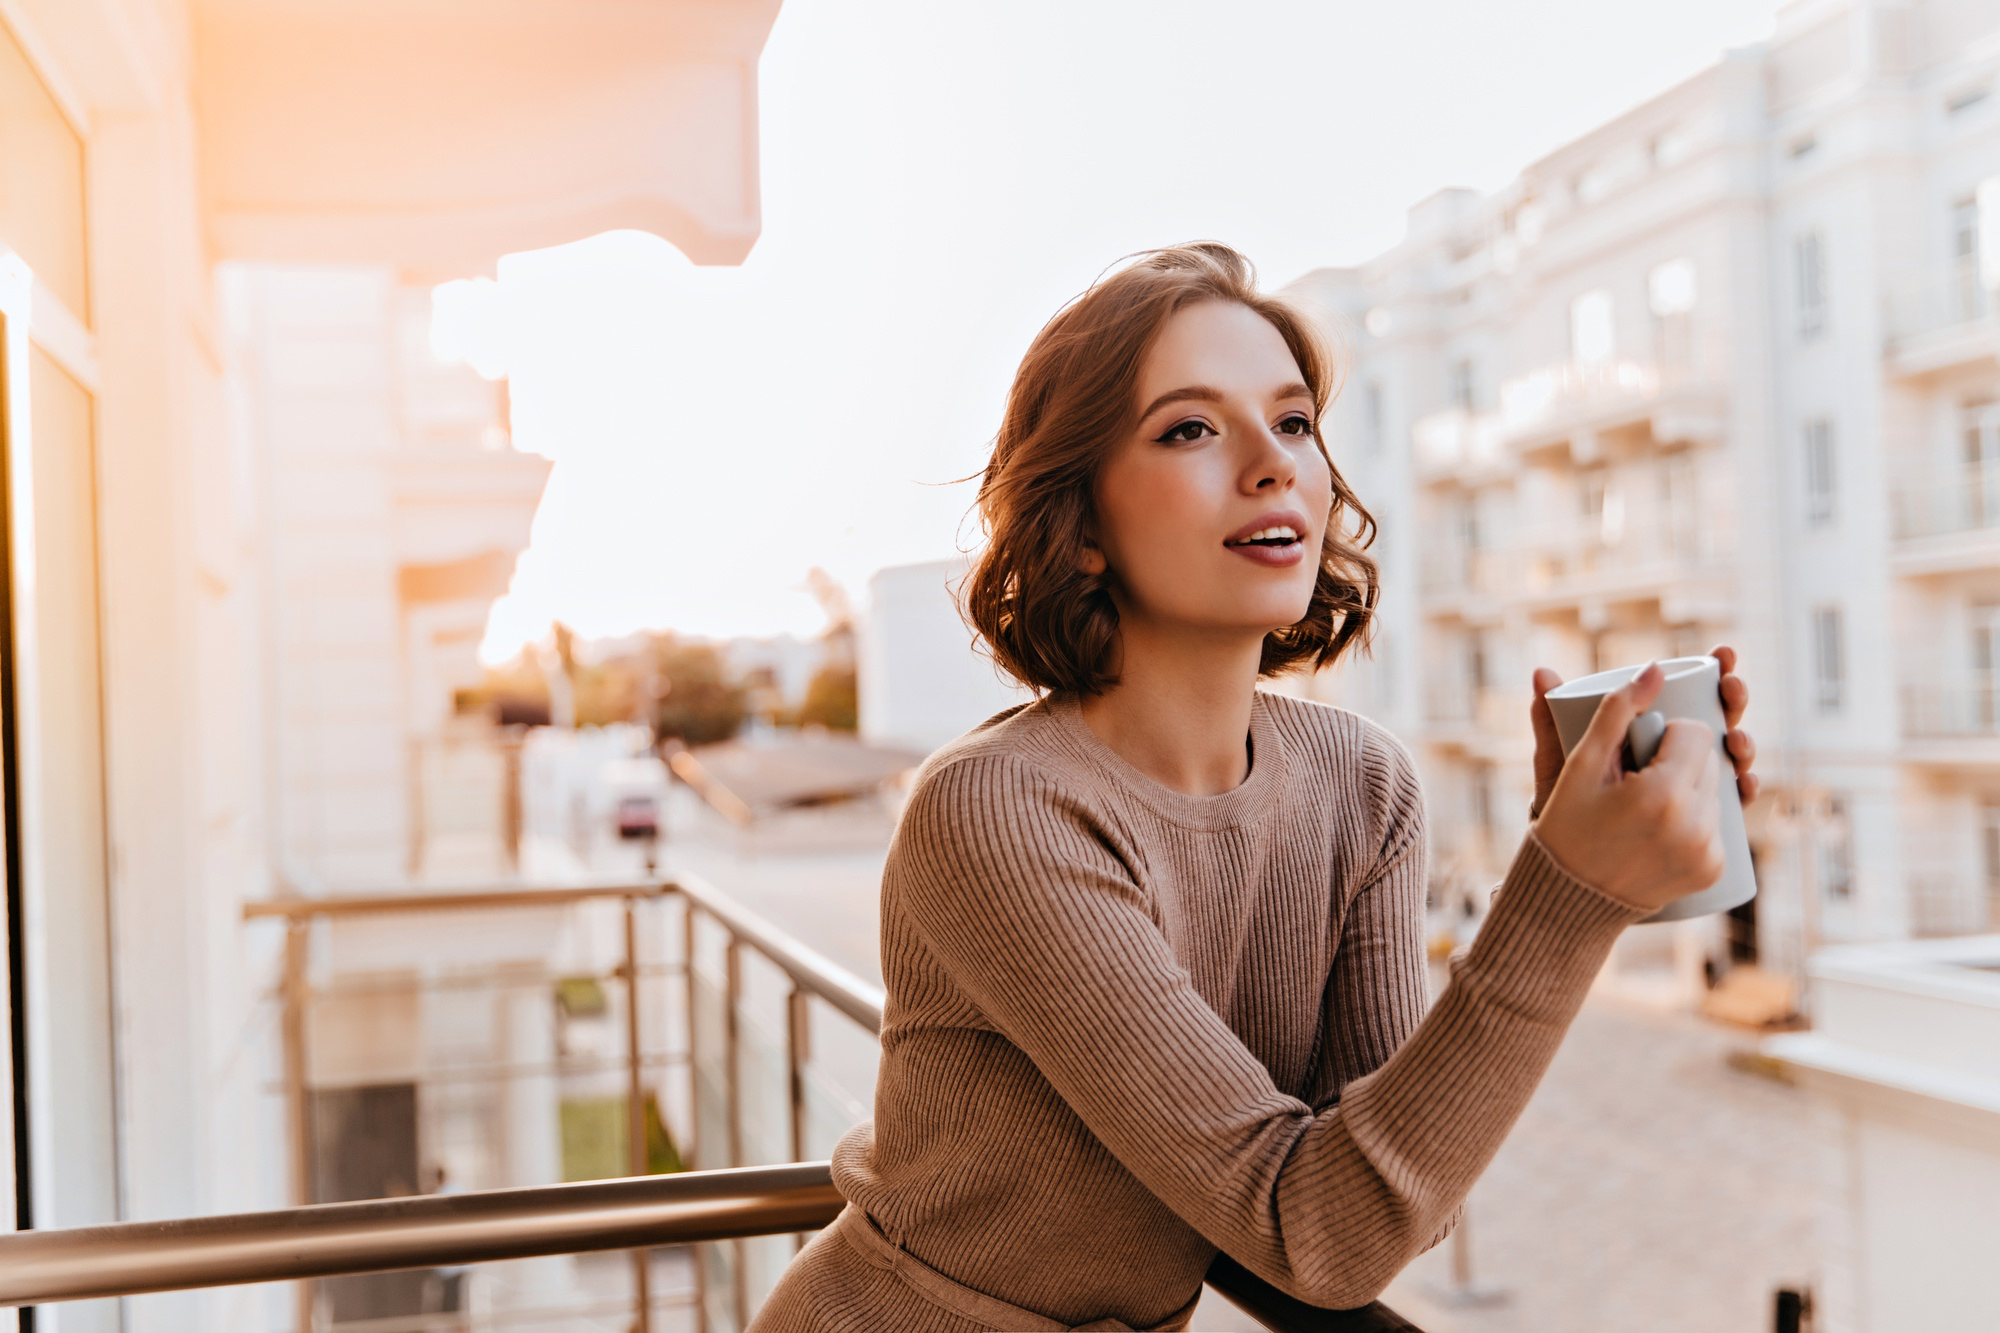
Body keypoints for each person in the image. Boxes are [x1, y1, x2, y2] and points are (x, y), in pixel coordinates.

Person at [752, 243, 1759, 1332]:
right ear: (1080, 526)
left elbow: (1385, 1205)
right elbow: (1316, 1233)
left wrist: (1583, 861)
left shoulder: (1363, 784)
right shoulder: (994, 811)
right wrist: (1565, 896)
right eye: (1189, 427)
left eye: (1291, 422)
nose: (1272, 464)